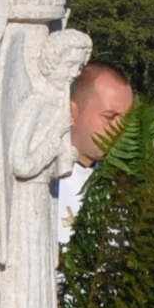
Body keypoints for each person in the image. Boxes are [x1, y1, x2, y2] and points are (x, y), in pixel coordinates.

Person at [46, 58, 135, 248]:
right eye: (110, 117)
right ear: (71, 111)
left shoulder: (126, 188)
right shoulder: (45, 182)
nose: (119, 130)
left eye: (126, 121)